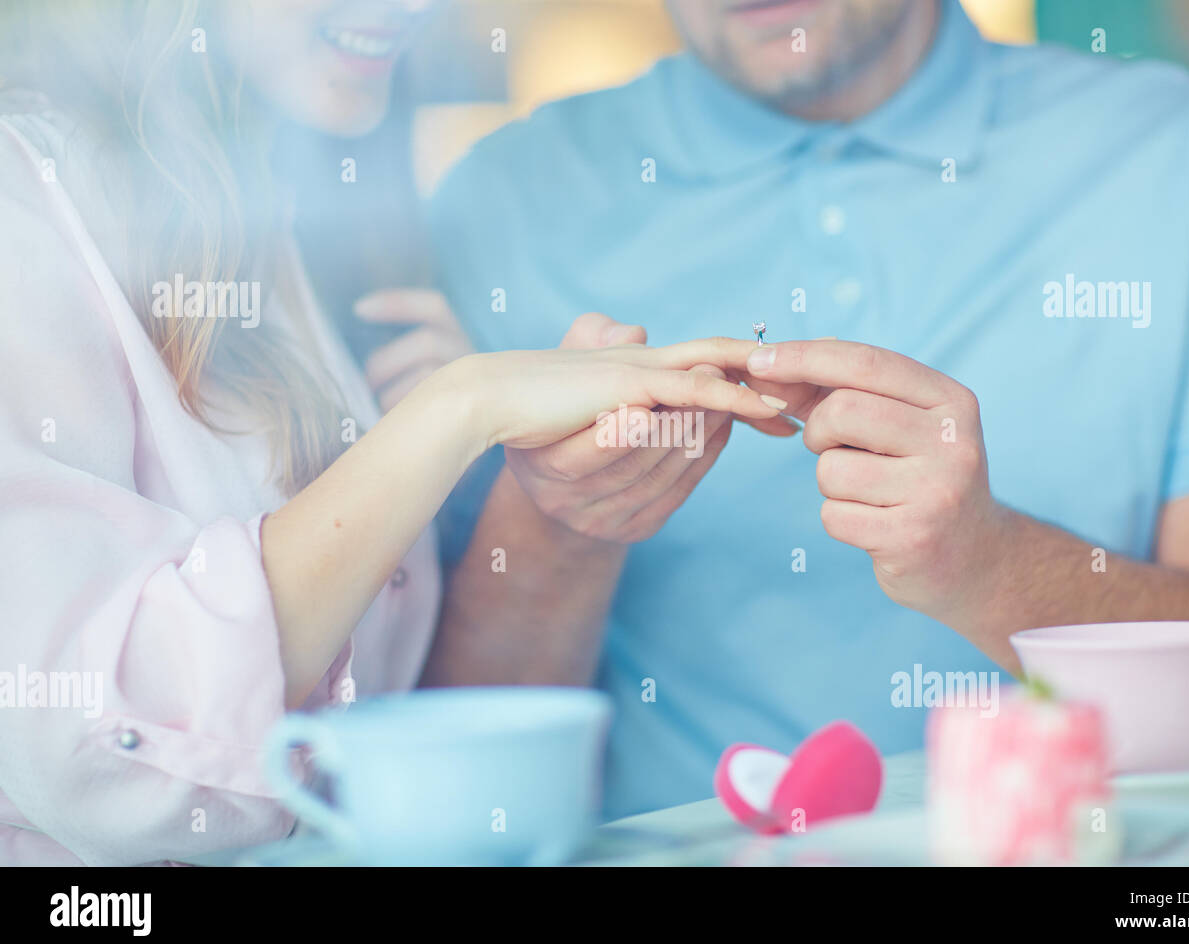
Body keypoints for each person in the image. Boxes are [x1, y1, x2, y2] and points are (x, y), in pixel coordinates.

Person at [424, 0, 1189, 819]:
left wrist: (989, 566)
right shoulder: (499, 202)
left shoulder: (1176, 153)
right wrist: (565, 524)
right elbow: (443, 773)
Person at [0, 0, 785, 865]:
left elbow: (400, 747)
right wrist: (452, 412)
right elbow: (101, 765)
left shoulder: (319, 215)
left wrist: (556, 510)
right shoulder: (22, 208)